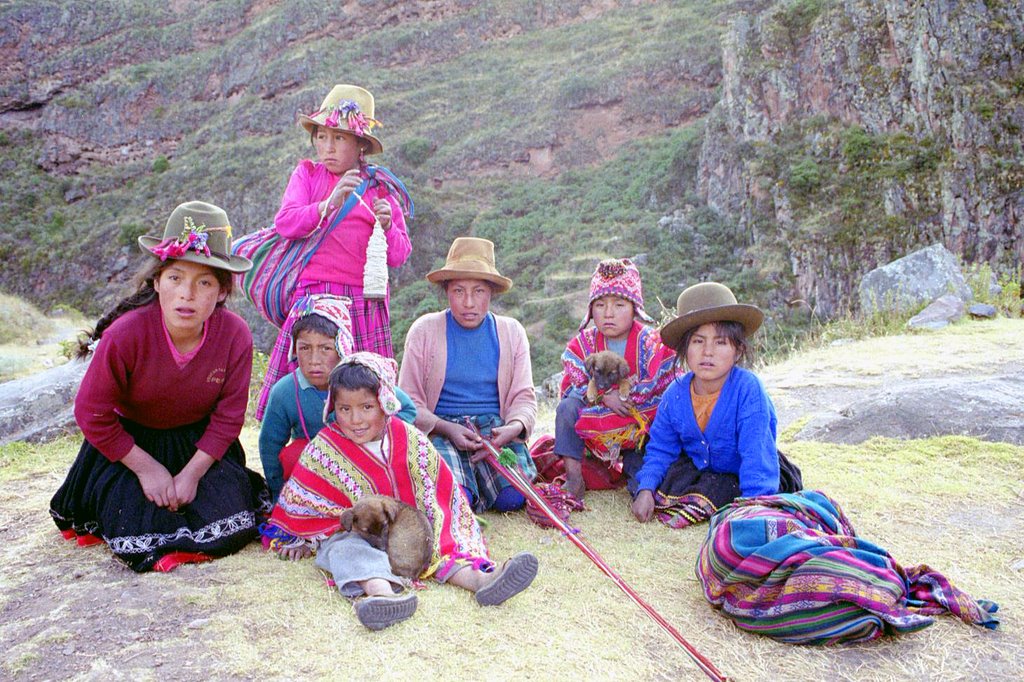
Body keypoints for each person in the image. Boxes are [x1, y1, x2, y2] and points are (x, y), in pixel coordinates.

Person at [50, 201, 271, 573]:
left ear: (221, 292)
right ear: (156, 281)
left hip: (197, 447)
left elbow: (229, 417)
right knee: (132, 515)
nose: (187, 294)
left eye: (204, 282)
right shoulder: (126, 336)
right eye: (175, 278)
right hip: (129, 446)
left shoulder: (235, 336)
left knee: (232, 511)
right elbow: (91, 413)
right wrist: (146, 469)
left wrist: (193, 473)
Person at [262, 353, 539, 631]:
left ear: (384, 403)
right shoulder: (325, 448)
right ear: (333, 407)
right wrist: (297, 536)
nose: (355, 419)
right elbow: (305, 501)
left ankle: (483, 581)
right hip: (361, 538)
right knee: (345, 549)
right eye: (344, 409)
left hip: (413, 535)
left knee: (442, 539)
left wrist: (432, 521)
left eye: (367, 407)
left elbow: (439, 492)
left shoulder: (409, 437)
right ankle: (382, 594)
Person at [256, 83, 413, 420]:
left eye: (339, 138)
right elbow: (286, 222)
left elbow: (399, 256)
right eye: (322, 137)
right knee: (308, 387)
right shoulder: (307, 176)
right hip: (316, 297)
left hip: (364, 302)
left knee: (363, 394)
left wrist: (387, 226)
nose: (327, 147)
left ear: (361, 146)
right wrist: (327, 205)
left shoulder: (380, 189)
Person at [629, 282, 802, 527]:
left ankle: (727, 503)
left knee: (731, 488)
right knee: (638, 464)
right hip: (703, 468)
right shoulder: (674, 395)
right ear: (684, 349)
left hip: (748, 469)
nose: (707, 352)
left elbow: (756, 456)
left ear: (738, 350)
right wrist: (645, 489)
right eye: (698, 341)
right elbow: (662, 448)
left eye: (720, 342)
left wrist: (753, 510)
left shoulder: (748, 390)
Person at [398, 238, 537, 513]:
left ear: (492, 293)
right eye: (459, 290)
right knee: (456, 498)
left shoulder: (512, 333)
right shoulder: (424, 331)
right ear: (446, 291)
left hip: (494, 431)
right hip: (441, 429)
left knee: (512, 499)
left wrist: (511, 429)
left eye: (479, 291)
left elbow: (524, 396)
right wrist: (445, 428)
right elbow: (408, 401)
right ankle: (464, 485)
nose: (469, 302)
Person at [258, 294, 417, 501]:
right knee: (292, 456)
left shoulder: (362, 378)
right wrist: (279, 492)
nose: (314, 360)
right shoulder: (285, 392)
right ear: (294, 349)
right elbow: (270, 445)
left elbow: (408, 409)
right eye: (305, 348)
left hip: (365, 459)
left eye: (326, 348)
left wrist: (372, 437)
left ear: (342, 346)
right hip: (315, 467)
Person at [554, 258, 677, 499]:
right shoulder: (583, 344)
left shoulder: (652, 344)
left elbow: (663, 389)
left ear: (635, 307)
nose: (608, 314)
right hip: (593, 428)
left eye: (619, 304)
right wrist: (604, 397)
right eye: (600, 305)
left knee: (641, 478)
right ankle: (574, 477)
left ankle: (639, 478)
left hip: (636, 430)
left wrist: (626, 397)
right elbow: (576, 385)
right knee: (567, 407)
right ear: (591, 310)